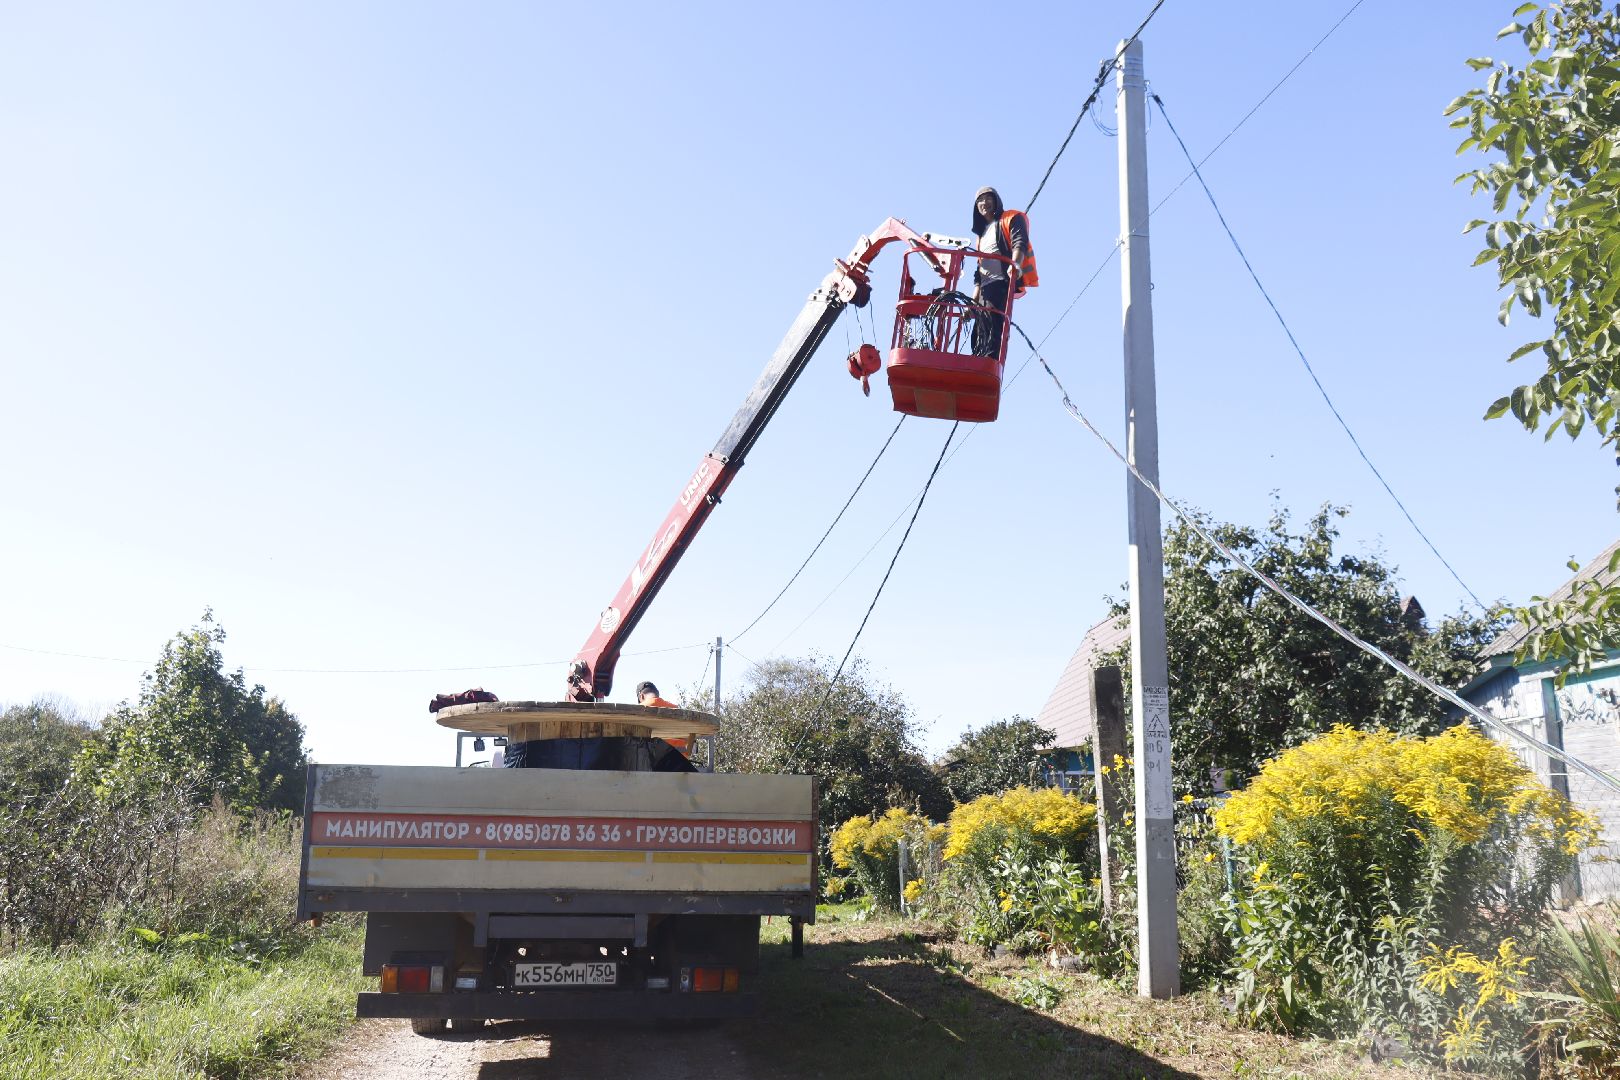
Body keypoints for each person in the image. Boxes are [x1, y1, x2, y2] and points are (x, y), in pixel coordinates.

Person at [969, 187, 1038, 358]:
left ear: (996, 201)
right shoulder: (981, 235)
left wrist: (1015, 263)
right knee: (978, 331)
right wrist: (972, 302)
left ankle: (989, 361)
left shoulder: (1011, 218)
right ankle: (977, 361)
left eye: (988, 198)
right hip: (984, 288)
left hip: (1000, 282)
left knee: (993, 325)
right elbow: (978, 271)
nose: (984, 203)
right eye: (980, 200)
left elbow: (1019, 241)